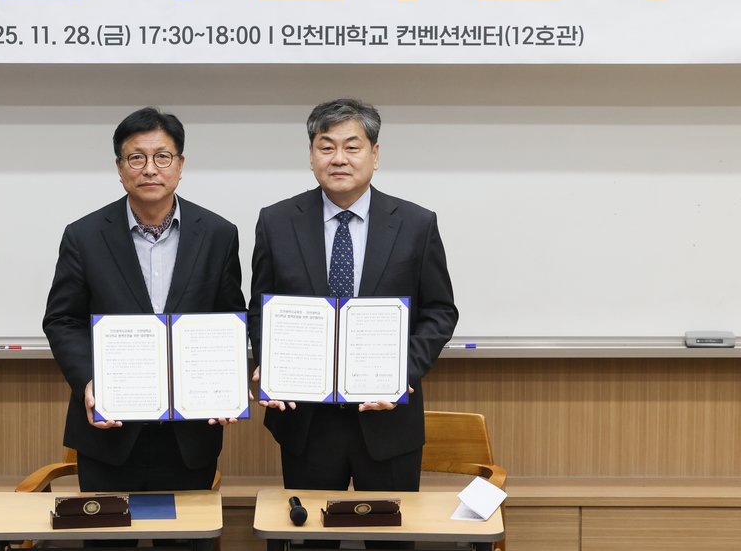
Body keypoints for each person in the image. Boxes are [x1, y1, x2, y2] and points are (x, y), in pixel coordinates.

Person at [248, 98, 458, 493]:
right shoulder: (276, 222)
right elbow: (260, 309)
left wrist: (401, 374)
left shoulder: (416, 224)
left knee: (390, 526)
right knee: (309, 525)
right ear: (312, 156)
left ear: (375, 155)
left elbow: (440, 311)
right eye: (326, 147)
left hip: (388, 420)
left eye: (352, 147)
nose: (338, 158)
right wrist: (269, 364)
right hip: (305, 419)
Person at [44, 107, 245, 491]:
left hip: (190, 433)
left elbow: (229, 317)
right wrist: (89, 381)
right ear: (120, 169)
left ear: (180, 165)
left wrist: (226, 384)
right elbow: (62, 320)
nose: (150, 169)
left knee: (189, 526)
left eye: (162, 157)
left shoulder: (218, 234)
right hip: (109, 432)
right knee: (109, 525)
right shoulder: (84, 236)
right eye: (136, 158)